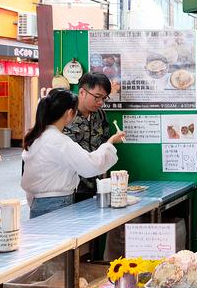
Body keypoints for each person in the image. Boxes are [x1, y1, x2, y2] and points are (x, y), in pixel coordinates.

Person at [22, 89, 125, 218]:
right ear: (70, 113)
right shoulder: (59, 141)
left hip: (37, 203)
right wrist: (110, 143)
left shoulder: (37, 137)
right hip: (57, 205)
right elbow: (91, 165)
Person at [63, 73, 112, 202]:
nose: (101, 102)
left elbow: (104, 147)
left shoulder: (100, 115)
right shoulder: (65, 115)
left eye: (104, 98)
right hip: (69, 188)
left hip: (97, 187)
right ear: (82, 92)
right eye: (97, 97)